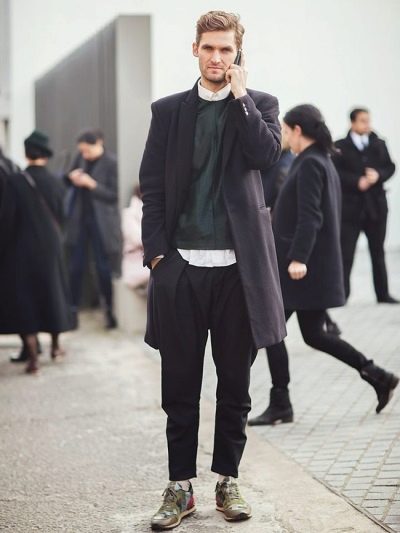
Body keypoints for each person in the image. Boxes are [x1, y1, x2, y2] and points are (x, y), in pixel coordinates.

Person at [140, 10, 286, 530]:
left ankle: (228, 479)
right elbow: (152, 187)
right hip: (181, 269)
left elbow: (266, 157)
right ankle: (180, 487)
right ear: (195, 50)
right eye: (209, 48)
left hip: (238, 273)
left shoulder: (260, 105)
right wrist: (159, 257)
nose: (217, 58)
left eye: (226, 49)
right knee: (179, 385)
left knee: (235, 385)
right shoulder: (169, 111)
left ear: (237, 53)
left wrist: (241, 98)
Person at [249, 105, 398, 427]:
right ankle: (378, 375)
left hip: (299, 269)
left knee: (270, 330)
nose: (284, 137)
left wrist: (298, 258)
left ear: (297, 130)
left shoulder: (311, 164)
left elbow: (311, 216)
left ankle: (279, 402)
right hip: (305, 268)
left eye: (285, 131)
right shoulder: (319, 160)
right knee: (314, 334)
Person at [0, 130, 72, 373]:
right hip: (52, 248)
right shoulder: (56, 181)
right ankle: (56, 347)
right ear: (46, 155)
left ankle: (33, 359)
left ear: (26, 153)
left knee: (25, 299)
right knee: (53, 295)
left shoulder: (15, 181)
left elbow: (6, 219)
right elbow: (64, 216)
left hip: (21, 250)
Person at [334, 108, 397, 303]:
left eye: (368, 120)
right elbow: (335, 173)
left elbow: (390, 166)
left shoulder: (379, 143)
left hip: (376, 209)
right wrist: (356, 181)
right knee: (346, 254)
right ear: (352, 122)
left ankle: (383, 294)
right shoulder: (340, 146)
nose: (367, 124)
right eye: (362, 120)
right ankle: (342, 295)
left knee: (378, 253)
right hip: (350, 211)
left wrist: (378, 175)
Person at [64, 129, 122, 329]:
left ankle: (109, 311)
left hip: (101, 223)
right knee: (75, 267)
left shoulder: (111, 163)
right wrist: (72, 177)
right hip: (80, 220)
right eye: (82, 151)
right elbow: (67, 179)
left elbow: (113, 195)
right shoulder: (80, 158)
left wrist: (92, 185)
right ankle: (72, 312)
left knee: (103, 267)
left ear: (99, 143)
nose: (84, 154)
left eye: (87, 150)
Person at [121, 185, 149, 296]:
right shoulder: (129, 214)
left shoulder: (152, 213)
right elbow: (138, 239)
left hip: (148, 260)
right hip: (135, 262)